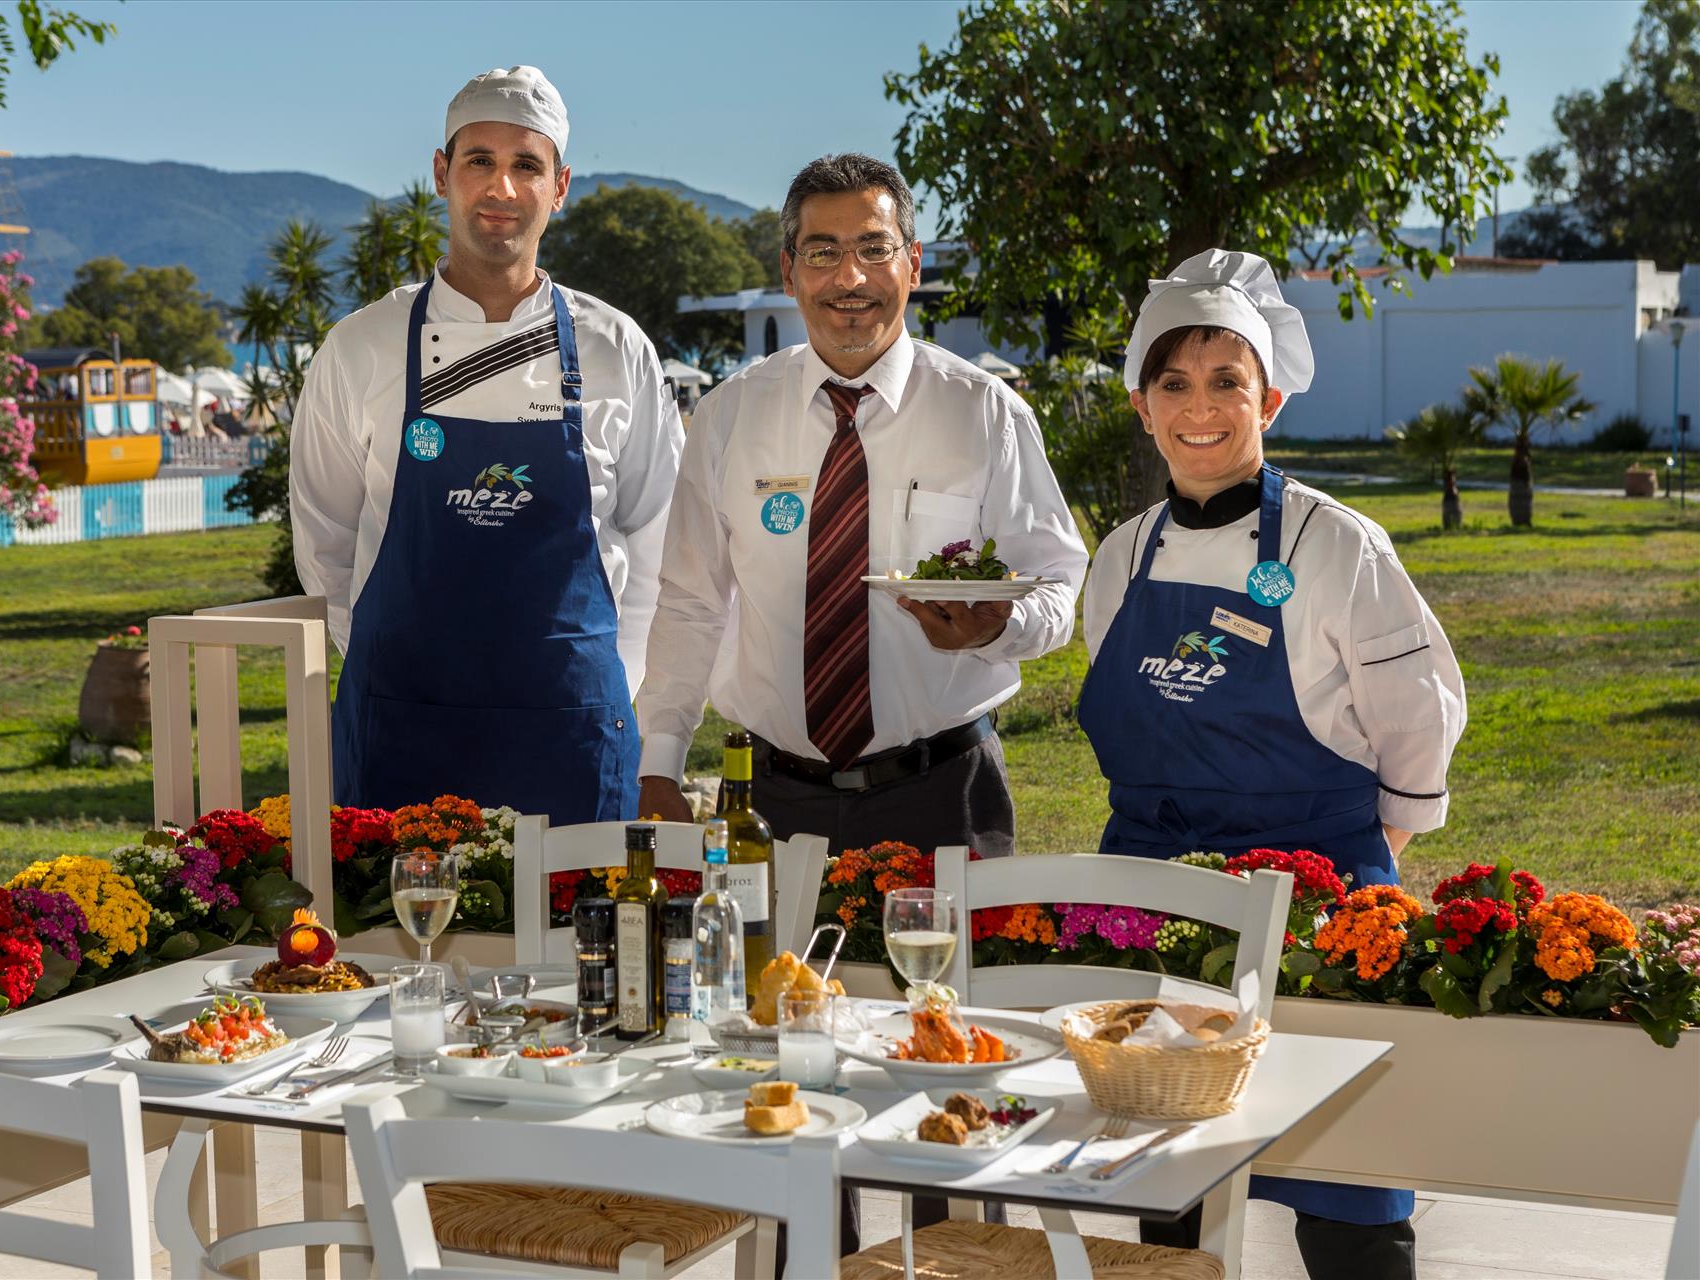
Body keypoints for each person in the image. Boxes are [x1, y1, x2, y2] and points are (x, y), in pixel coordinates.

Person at [636, 152, 1089, 1259]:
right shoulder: (731, 417)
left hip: (944, 789)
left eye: (874, 249)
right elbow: (688, 602)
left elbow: (1058, 582)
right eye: (825, 252)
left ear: (913, 263)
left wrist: (996, 627)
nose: (851, 278)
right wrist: (657, 758)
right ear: (789, 268)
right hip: (774, 804)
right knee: (785, 1073)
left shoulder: (984, 413)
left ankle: (958, 1267)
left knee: (954, 1072)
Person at [1078, 249, 1467, 1280]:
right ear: (1141, 406)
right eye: (1173, 383)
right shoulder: (1120, 557)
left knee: (1350, 1187)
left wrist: (1362, 856)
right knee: (1166, 1178)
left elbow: (1417, 724)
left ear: (1271, 399)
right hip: (1159, 909)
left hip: (1316, 911)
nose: (1200, 408)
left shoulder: (1338, 546)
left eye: (1227, 382)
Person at [291, 66, 683, 820]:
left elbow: (659, 537)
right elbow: (324, 541)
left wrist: (607, 684)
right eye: (480, 161)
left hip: (573, 736)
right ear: (443, 174)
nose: (502, 188)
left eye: (526, 165)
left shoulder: (615, 349)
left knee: (580, 905)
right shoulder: (361, 347)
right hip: (402, 733)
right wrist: (390, 672)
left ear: (559, 187)